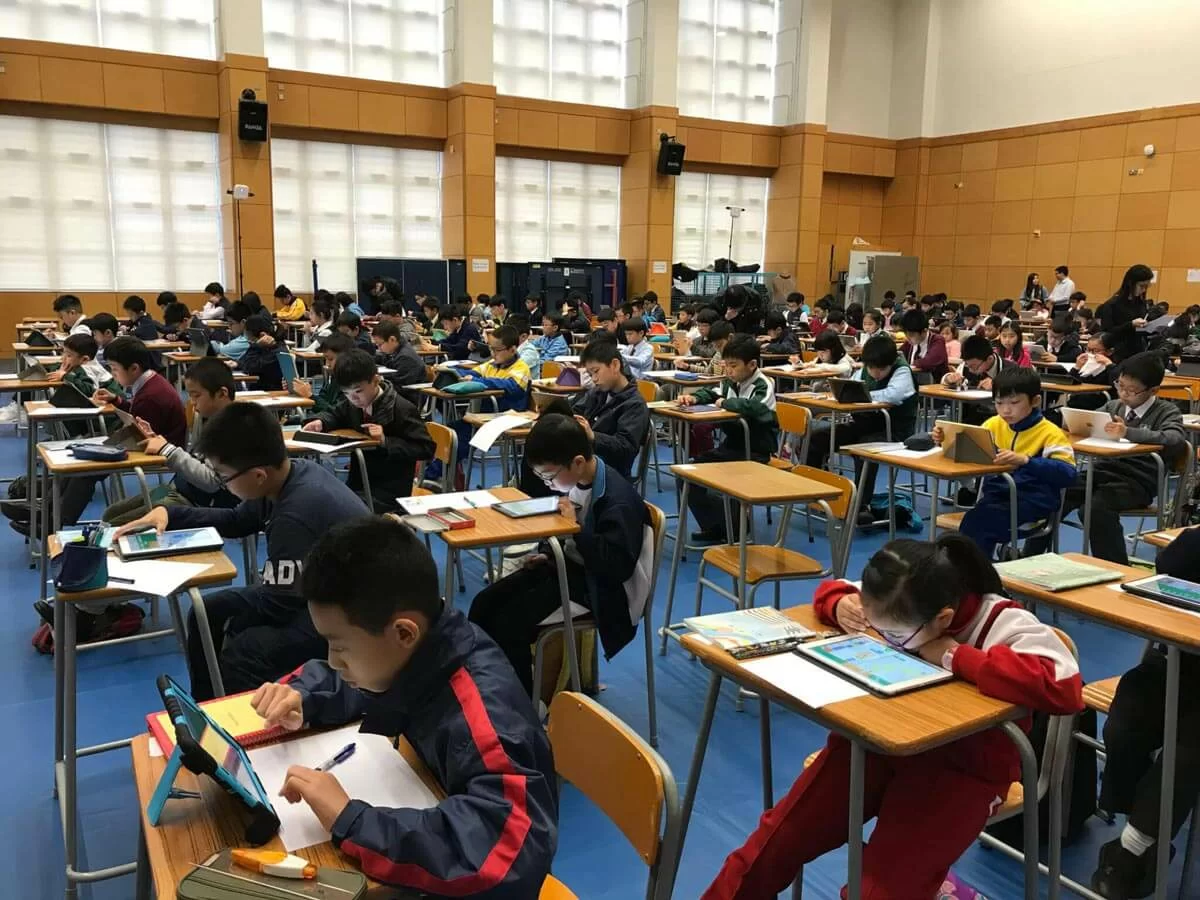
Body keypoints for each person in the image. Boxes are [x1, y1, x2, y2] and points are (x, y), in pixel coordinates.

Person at [702, 534, 1082, 899]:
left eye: (894, 635)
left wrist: (954, 655)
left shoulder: (1002, 621)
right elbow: (838, 590)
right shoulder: (901, 592)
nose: (884, 636)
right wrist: (838, 604)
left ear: (943, 619)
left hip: (963, 769)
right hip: (876, 745)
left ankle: (936, 887)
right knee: (771, 846)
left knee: (878, 891)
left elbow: (1064, 685)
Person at [250, 517, 558, 896]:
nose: (332, 660)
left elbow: (502, 854)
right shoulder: (425, 649)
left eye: (341, 646)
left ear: (403, 633)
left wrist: (351, 819)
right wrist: (305, 694)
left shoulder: (486, 721)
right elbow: (370, 682)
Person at [114, 403, 369, 700]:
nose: (223, 484)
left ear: (258, 475)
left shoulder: (294, 515)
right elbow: (238, 520)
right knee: (206, 611)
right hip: (316, 592)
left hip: (354, 614)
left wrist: (237, 623)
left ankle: (238, 722)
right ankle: (207, 705)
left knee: (244, 652)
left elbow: (279, 604)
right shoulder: (286, 475)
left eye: (223, 477)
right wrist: (171, 514)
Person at [469, 414, 651, 696]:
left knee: (508, 624)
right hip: (570, 568)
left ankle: (523, 705)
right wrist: (547, 554)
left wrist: (575, 530)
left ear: (577, 462)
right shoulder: (577, 480)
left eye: (549, 476)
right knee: (484, 604)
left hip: (603, 593)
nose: (548, 484)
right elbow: (566, 537)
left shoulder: (618, 500)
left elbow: (615, 567)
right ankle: (489, 690)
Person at [1089, 529, 1200, 898]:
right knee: (1125, 722)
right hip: (1180, 661)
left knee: (1187, 748)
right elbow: (1171, 563)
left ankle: (1132, 848)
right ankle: (1140, 828)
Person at [1030, 353, 1187, 566]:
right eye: (1120, 385)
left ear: (1153, 391)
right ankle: (1029, 554)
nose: (1124, 394)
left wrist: (1128, 432)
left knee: (1095, 509)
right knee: (1057, 490)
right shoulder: (1114, 406)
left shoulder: (1166, 411)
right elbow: (1091, 420)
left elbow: (1175, 439)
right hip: (1103, 470)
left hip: (1137, 481)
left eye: (1132, 390)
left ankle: (1115, 567)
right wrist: (1073, 423)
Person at [31, 337, 188, 532]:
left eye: (114, 369)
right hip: (149, 441)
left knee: (87, 468)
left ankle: (53, 521)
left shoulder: (151, 395)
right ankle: (46, 513)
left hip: (160, 451)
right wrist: (117, 401)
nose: (112, 374)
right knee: (85, 457)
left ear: (134, 368)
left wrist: (110, 444)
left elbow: (143, 435)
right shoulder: (150, 383)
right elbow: (139, 417)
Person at [934, 367, 1076, 557]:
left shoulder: (1050, 433)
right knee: (968, 529)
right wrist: (944, 440)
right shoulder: (993, 424)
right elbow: (970, 454)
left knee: (976, 527)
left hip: (1033, 505)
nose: (1006, 410)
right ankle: (973, 569)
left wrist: (1027, 461)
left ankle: (976, 572)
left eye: (1014, 402)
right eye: (999, 403)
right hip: (995, 498)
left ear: (1035, 401)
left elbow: (1069, 474)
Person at [100, 358, 239, 525]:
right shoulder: (209, 418)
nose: (192, 402)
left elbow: (211, 483)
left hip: (201, 503)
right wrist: (153, 438)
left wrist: (167, 450)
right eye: (190, 395)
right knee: (110, 514)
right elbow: (195, 459)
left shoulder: (233, 429)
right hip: (180, 489)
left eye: (196, 395)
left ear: (222, 394)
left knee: (116, 524)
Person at [302, 350, 434, 510]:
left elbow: (426, 448)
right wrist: (321, 422)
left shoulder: (401, 409)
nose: (354, 398)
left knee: (334, 508)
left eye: (358, 391)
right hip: (359, 481)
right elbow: (335, 414)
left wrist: (385, 441)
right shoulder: (353, 403)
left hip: (390, 488)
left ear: (376, 380)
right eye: (346, 393)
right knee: (318, 498)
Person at [680, 335, 778, 542]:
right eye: (726, 366)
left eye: (733, 366)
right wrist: (694, 398)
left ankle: (737, 527)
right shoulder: (729, 382)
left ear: (752, 365)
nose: (729, 371)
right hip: (730, 447)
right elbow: (712, 393)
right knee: (687, 475)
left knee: (729, 482)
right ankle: (716, 525)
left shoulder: (763, 384)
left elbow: (754, 407)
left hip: (755, 452)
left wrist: (725, 403)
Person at [804, 334, 917, 503]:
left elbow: (894, 395)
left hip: (894, 430)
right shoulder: (863, 370)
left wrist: (864, 395)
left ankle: (860, 504)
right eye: (871, 368)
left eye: (881, 369)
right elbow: (851, 386)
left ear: (891, 363)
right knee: (817, 439)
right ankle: (817, 493)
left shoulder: (902, 370)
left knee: (863, 450)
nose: (875, 373)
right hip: (862, 425)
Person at [571, 339, 650, 478]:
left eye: (596, 371)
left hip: (610, 471)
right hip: (585, 459)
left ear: (615, 365)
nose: (594, 379)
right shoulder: (596, 392)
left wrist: (593, 436)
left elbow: (626, 448)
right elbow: (576, 411)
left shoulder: (635, 404)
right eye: (590, 374)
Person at [1098, 263, 1154, 363]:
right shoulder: (1113, 304)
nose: (1144, 290)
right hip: (1118, 354)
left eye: (1147, 286)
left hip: (1137, 351)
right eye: (1142, 286)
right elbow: (1107, 332)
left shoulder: (1141, 303)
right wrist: (1131, 324)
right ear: (1130, 283)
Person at [293, 333, 355, 415]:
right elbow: (322, 399)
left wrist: (310, 395)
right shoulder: (333, 376)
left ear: (346, 358)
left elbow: (335, 414)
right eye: (325, 359)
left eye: (331, 359)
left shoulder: (350, 382)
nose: (327, 364)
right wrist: (301, 391)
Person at [45, 334, 120, 397]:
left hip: (114, 404)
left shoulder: (88, 368)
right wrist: (58, 371)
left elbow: (90, 391)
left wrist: (65, 376)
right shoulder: (77, 364)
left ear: (84, 359)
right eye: (63, 352)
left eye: (69, 355)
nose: (63, 358)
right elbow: (57, 366)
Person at [370, 320, 426, 390]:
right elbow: (377, 359)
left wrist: (380, 379)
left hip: (409, 394)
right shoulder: (393, 350)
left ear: (392, 339)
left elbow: (399, 385)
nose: (379, 348)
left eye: (380, 345)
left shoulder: (405, 358)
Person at [899, 310, 949, 381]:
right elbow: (897, 356)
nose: (908, 338)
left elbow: (928, 362)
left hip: (934, 383)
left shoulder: (937, 340)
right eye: (906, 334)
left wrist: (913, 363)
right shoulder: (909, 343)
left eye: (911, 335)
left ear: (924, 331)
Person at [240, 315, 285, 391]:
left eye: (249, 338)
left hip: (269, 392)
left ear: (262, 335)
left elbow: (248, 367)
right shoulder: (267, 347)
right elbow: (244, 361)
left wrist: (256, 346)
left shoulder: (277, 353)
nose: (249, 341)